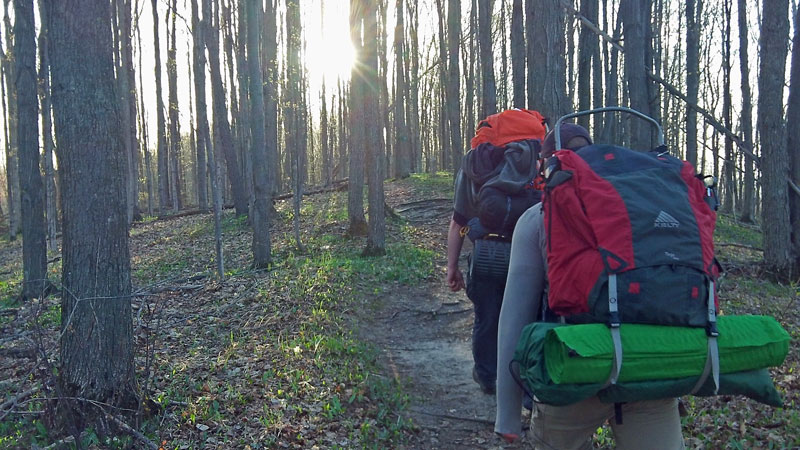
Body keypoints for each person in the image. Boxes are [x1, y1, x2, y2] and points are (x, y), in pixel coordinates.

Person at [494, 125, 686, 449]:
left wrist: (507, 414)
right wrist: (674, 383)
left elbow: (514, 318)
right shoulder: (639, 209)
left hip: (573, 369)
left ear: (544, 165)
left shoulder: (537, 218)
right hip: (648, 370)